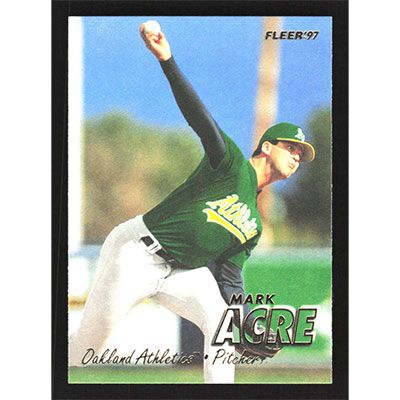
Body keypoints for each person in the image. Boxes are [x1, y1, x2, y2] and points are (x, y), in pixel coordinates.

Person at [68, 23, 316, 384]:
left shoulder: (254, 225)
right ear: (266, 146)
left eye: (300, 154)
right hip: (137, 252)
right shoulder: (231, 163)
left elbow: (230, 280)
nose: (296, 156)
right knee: (82, 354)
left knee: (222, 321)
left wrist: (248, 320)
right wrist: (167, 60)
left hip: (181, 273)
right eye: (291, 147)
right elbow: (200, 117)